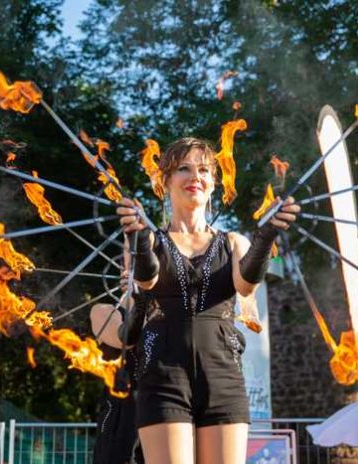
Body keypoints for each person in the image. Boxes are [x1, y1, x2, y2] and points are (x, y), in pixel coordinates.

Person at [117, 137, 299, 464]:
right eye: (183, 169)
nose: (195, 177)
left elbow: (245, 286)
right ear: (165, 181)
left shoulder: (233, 242)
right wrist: (140, 242)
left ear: (214, 184)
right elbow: (147, 280)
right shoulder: (149, 240)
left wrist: (266, 236)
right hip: (163, 376)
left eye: (203, 170)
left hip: (223, 377)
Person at [90, 292, 144, 464]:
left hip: (160, 406)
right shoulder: (104, 311)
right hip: (121, 409)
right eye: (125, 265)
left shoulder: (169, 312)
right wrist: (141, 304)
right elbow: (123, 339)